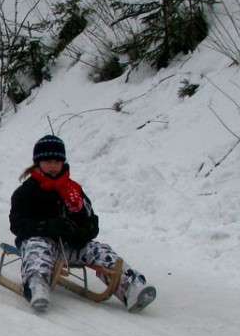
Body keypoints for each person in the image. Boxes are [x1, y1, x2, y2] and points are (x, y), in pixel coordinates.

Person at [9, 134, 156, 313]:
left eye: (57, 161)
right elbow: (18, 224)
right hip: (43, 243)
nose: (53, 165)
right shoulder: (26, 192)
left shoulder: (73, 190)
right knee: (36, 250)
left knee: (101, 251)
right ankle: (37, 286)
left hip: (72, 245)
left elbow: (91, 221)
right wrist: (47, 227)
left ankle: (132, 286)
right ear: (38, 162)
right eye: (48, 161)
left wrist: (83, 233)